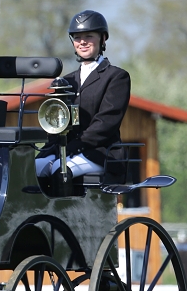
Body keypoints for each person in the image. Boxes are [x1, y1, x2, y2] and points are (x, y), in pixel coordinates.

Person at [35, 10, 131, 179]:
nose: (82, 42)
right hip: (64, 149)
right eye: (77, 37)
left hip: (99, 152)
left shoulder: (116, 77)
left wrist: (78, 144)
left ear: (102, 39)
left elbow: (106, 122)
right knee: (30, 170)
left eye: (89, 36)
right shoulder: (65, 80)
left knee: (60, 170)